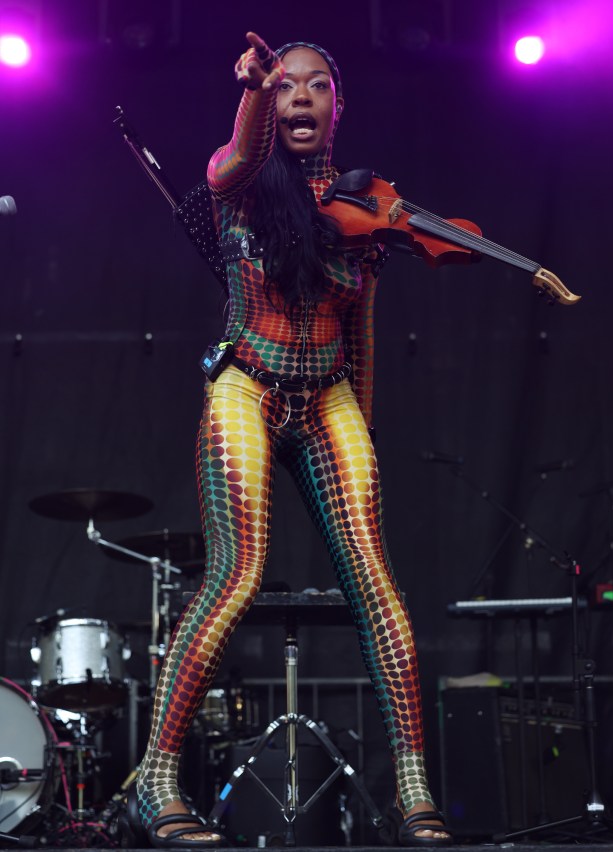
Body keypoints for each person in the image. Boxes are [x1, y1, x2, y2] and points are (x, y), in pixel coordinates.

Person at [122, 31, 452, 848]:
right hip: (248, 379)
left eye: (316, 87)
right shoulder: (240, 186)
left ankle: (415, 794)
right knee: (237, 575)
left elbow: (363, 332)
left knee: (378, 586)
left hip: (330, 389)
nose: (300, 97)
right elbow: (236, 155)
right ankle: (155, 780)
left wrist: (363, 436)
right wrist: (250, 92)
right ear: (271, 104)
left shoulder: (364, 207)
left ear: (339, 105)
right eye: (286, 88)